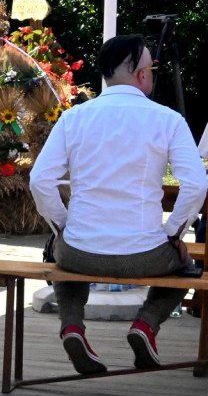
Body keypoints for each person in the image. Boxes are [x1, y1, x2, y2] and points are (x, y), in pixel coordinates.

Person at [30, 34, 208, 374]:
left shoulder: (74, 117)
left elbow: (40, 181)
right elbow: (197, 183)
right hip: (145, 255)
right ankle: (146, 324)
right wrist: (174, 233)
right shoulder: (168, 119)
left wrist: (64, 226)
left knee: (62, 250)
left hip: (80, 251)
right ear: (142, 75)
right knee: (189, 265)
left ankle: (72, 326)